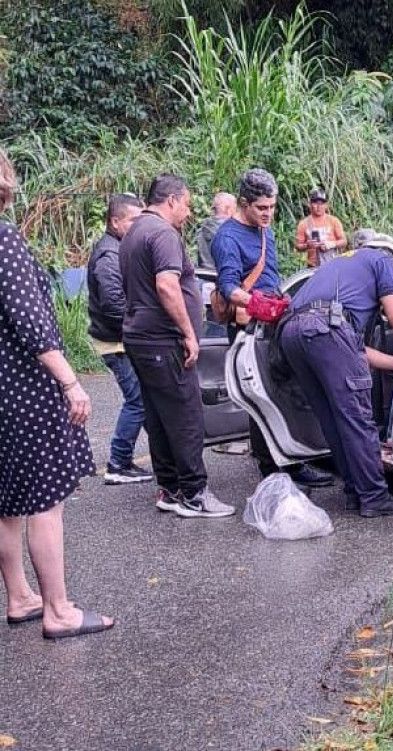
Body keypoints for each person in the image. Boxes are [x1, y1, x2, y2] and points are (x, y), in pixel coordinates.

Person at [0, 149, 114, 639]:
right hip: (24, 389)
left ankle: (21, 597)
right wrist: (69, 379)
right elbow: (27, 318)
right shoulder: (3, 239)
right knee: (48, 498)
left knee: (6, 503)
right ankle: (58, 610)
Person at [279, 234, 393, 517]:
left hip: (293, 334)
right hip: (326, 330)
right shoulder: (383, 260)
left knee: (334, 418)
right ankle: (374, 496)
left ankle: (355, 492)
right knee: (357, 417)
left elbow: (353, 350)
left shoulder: (338, 267)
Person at [120, 173, 234, 519]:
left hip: (139, 337)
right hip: (162, 339)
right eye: (186, 203)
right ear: (171, 200)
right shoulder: (163, 234)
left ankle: (169, 489)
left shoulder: (133, 231)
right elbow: (167, 286)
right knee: (185, 416)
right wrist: (187, 332)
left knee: (158, 416)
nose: (188, 212)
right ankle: (195, 493)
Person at [212, 168, 333, 489]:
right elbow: (227, 287)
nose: (268, 214)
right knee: (260, 394)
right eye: (262, 208)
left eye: (272, 207)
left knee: (284, 391)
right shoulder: (227, 237)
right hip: (248, 326)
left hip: (273, 320)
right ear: (243, 203)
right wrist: (255, 304)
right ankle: (272, 469)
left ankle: (294, 462)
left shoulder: (267, 231)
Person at [87, 193, 154, 485]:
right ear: (115, 222)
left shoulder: (119, 248)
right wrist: (140, 331)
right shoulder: (109, 256)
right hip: (116, 342)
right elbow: (113, 304)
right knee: (137, 400)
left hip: (121, 339)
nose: (139, 226)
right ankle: (118, 462)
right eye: (133, 221)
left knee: (144, 398)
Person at [295, 188, 347, 268]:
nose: (319, 206)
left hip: (331, 264)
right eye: (315, 203)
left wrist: (331, 244)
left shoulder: (334, 221)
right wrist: (307, 245)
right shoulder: (303, 224)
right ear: (310, 204)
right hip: (312, 266)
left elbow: (344, 242)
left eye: (322, 203)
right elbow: (298, 246)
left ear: (326, 205)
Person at [196, 191, 236, 269]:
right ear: (228, 209)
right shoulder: (230, 232)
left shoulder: (202, 229)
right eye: (235, 209)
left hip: (205, 274)